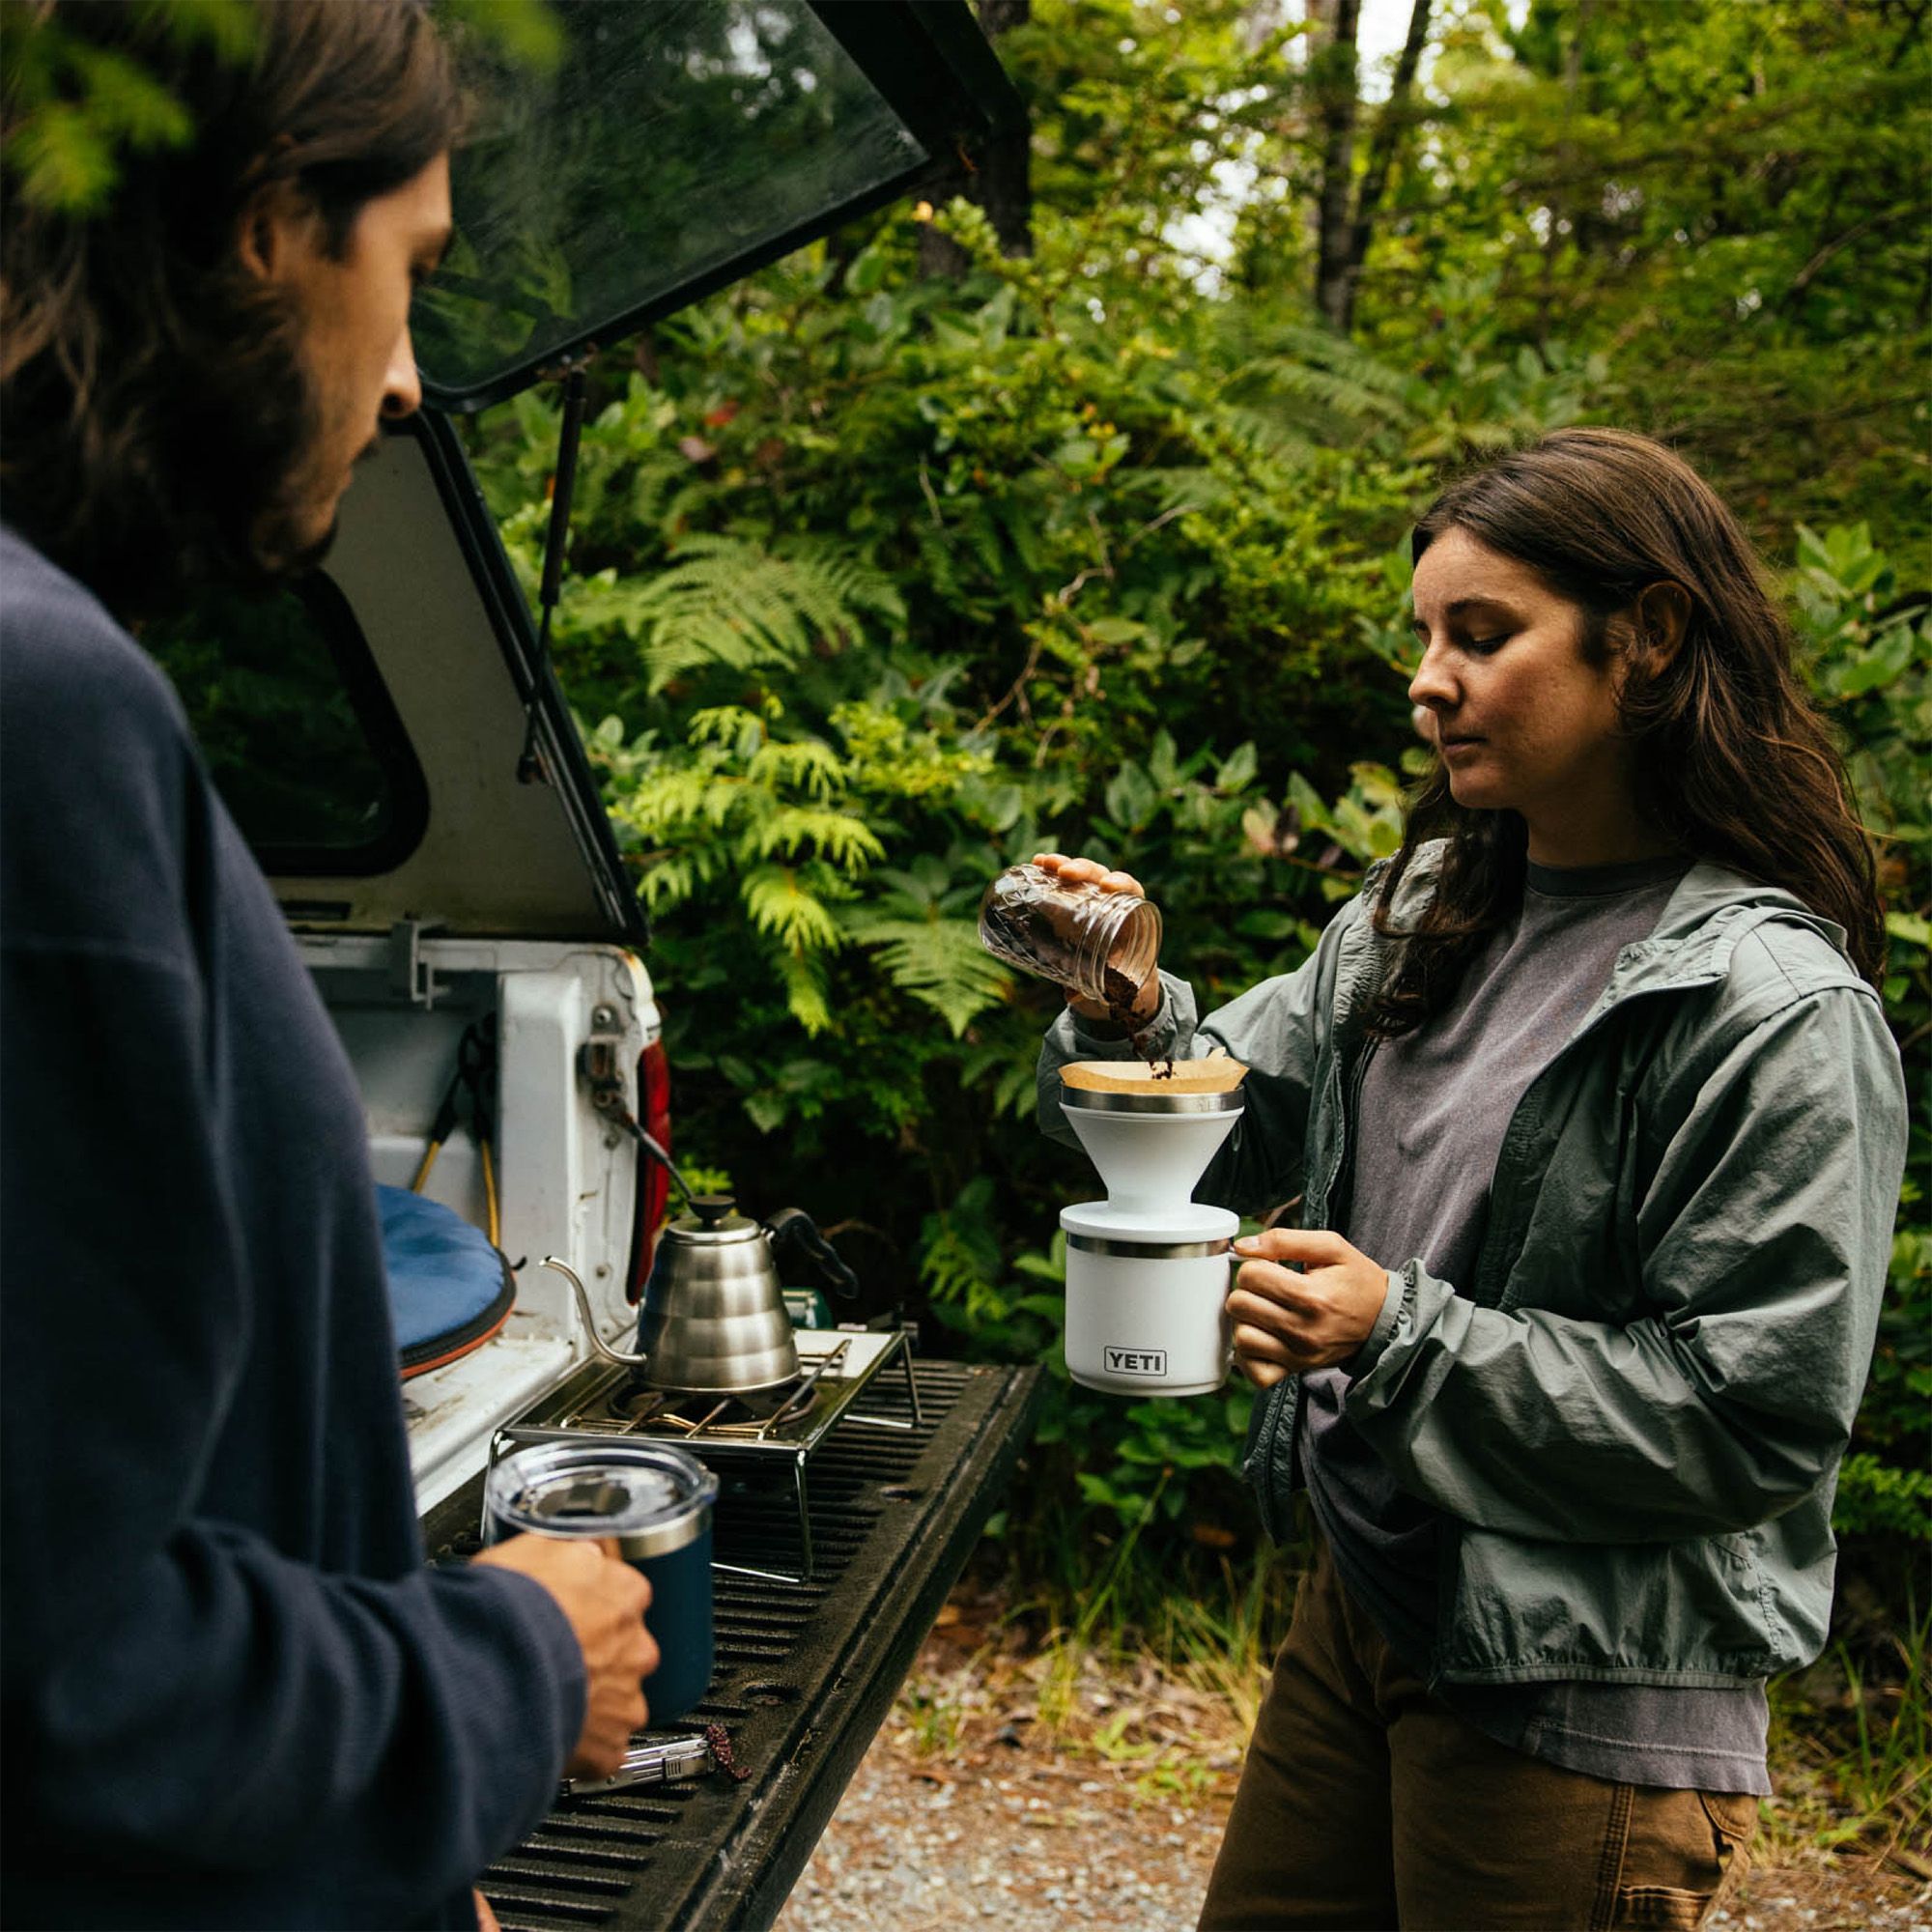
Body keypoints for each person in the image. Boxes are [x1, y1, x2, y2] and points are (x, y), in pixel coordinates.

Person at [1035, 429, 1907, 1931]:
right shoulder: (1427, 910)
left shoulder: (1771, 1010)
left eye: (1482, 636)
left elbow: (1754, 1421)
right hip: (1369, 1608)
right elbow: (1223, 1129)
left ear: (1647, 639)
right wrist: (1125, 1010)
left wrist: (1395, 1331)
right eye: (1424, 636)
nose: (1428, 678)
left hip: (1582, 1685)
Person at [0, 6, 657, 1927]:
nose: (406, 385)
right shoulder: (41, 711)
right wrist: (509, 1672)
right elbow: (61, 1671)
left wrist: (389, 1833)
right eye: (415, 271)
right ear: (268, 225)